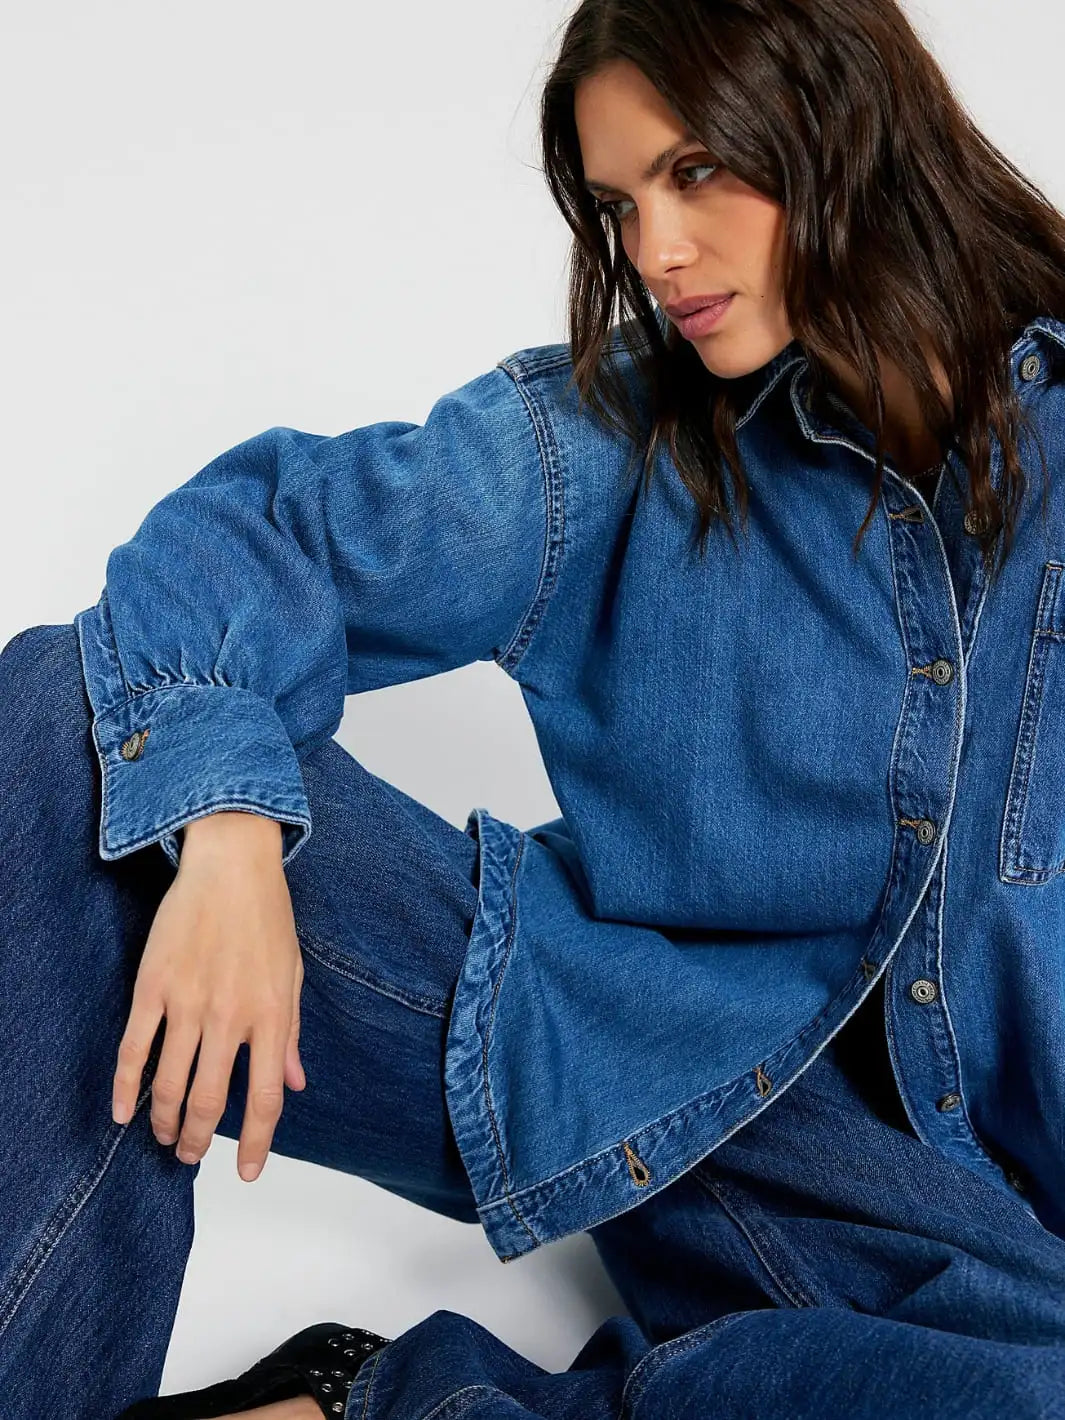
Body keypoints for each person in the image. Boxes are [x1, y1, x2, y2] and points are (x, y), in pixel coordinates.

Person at [3, 0, 1065, 1415]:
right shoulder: (625, 438)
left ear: (845, 127)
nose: (656, 252)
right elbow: (269, 533)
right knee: (72, 724)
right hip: (626, 1059)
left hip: (1003, 1262)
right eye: (620, 204)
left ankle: (360, 1405)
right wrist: (228, 831)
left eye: (695, 172)